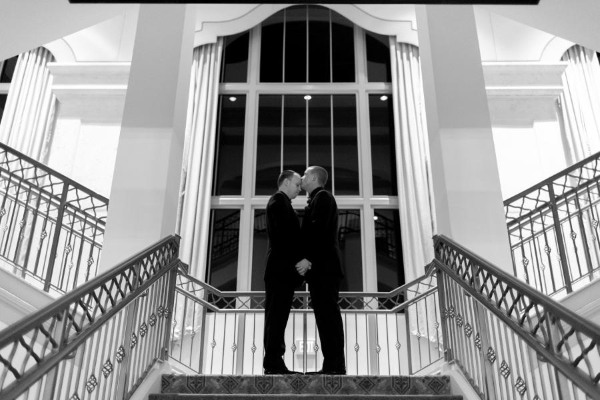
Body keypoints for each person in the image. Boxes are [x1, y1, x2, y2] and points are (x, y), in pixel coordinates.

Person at [296, 166, 346, 375]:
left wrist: (309, 259)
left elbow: (320, 231)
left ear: (315, 177)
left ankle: (335, 366)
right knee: (324, 317)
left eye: (305, 175)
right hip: (322, 269)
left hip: (324, 268)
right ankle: (332, 365)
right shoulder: (318, 199)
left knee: (328, 317)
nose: (302, 178)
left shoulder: (323, 197)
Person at [263, 170, 311, 375]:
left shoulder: (282, 203)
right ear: (285, 182)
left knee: (278, 317)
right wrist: (298, 260)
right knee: (276, 317)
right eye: (297, 185)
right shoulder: (278, 202)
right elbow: (284, 237)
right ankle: (273, 362)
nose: (300, 189)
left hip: (280, 270)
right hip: (280, 270)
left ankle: (274, 361)